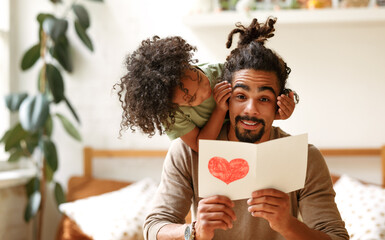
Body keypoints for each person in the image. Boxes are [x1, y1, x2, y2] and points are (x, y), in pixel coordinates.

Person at [143, 17, 349, 240]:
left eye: (264, 99)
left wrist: (288, 224)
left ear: (279, 104)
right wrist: (193, 230)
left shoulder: (305, 158)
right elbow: (153, 228)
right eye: (241, 96)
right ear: (226, 98)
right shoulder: (186, 153)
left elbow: (337, 237)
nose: (251, 110)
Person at [116, 34, 297, 152]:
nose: (204, 93)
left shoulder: (222, 73)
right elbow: (202, 147)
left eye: (199, 80)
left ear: (188, 65)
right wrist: (219, 109)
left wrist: (279, 113)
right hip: (212, 147)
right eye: (190, 100)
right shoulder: (171, 114)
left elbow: (256, 103)